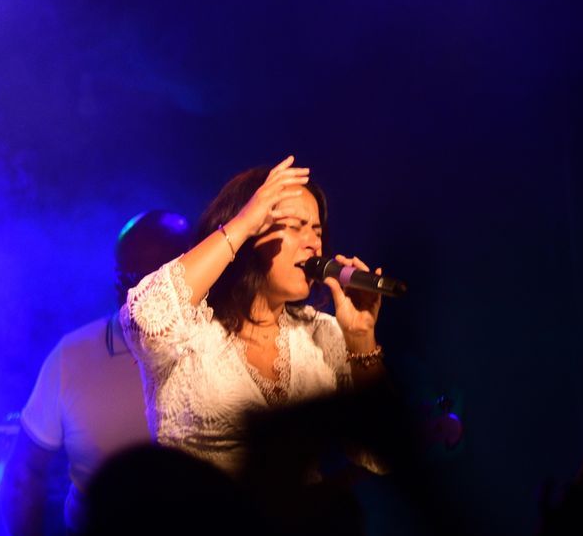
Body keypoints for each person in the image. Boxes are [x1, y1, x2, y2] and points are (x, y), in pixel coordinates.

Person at [120, 156, 386, 472]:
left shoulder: (323, 334)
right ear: (251, 231)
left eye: (316, 230)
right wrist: (243, 223)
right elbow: (145, 318)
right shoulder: (192, 331)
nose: (313, 244)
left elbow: (379, 454)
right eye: (294, 227)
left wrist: (361, 339)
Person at [3, 209, 195, 536]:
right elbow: (23, 476)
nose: (140, 292)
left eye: (157, 278)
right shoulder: (74, 354)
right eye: (129, 278)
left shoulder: (220, 344)